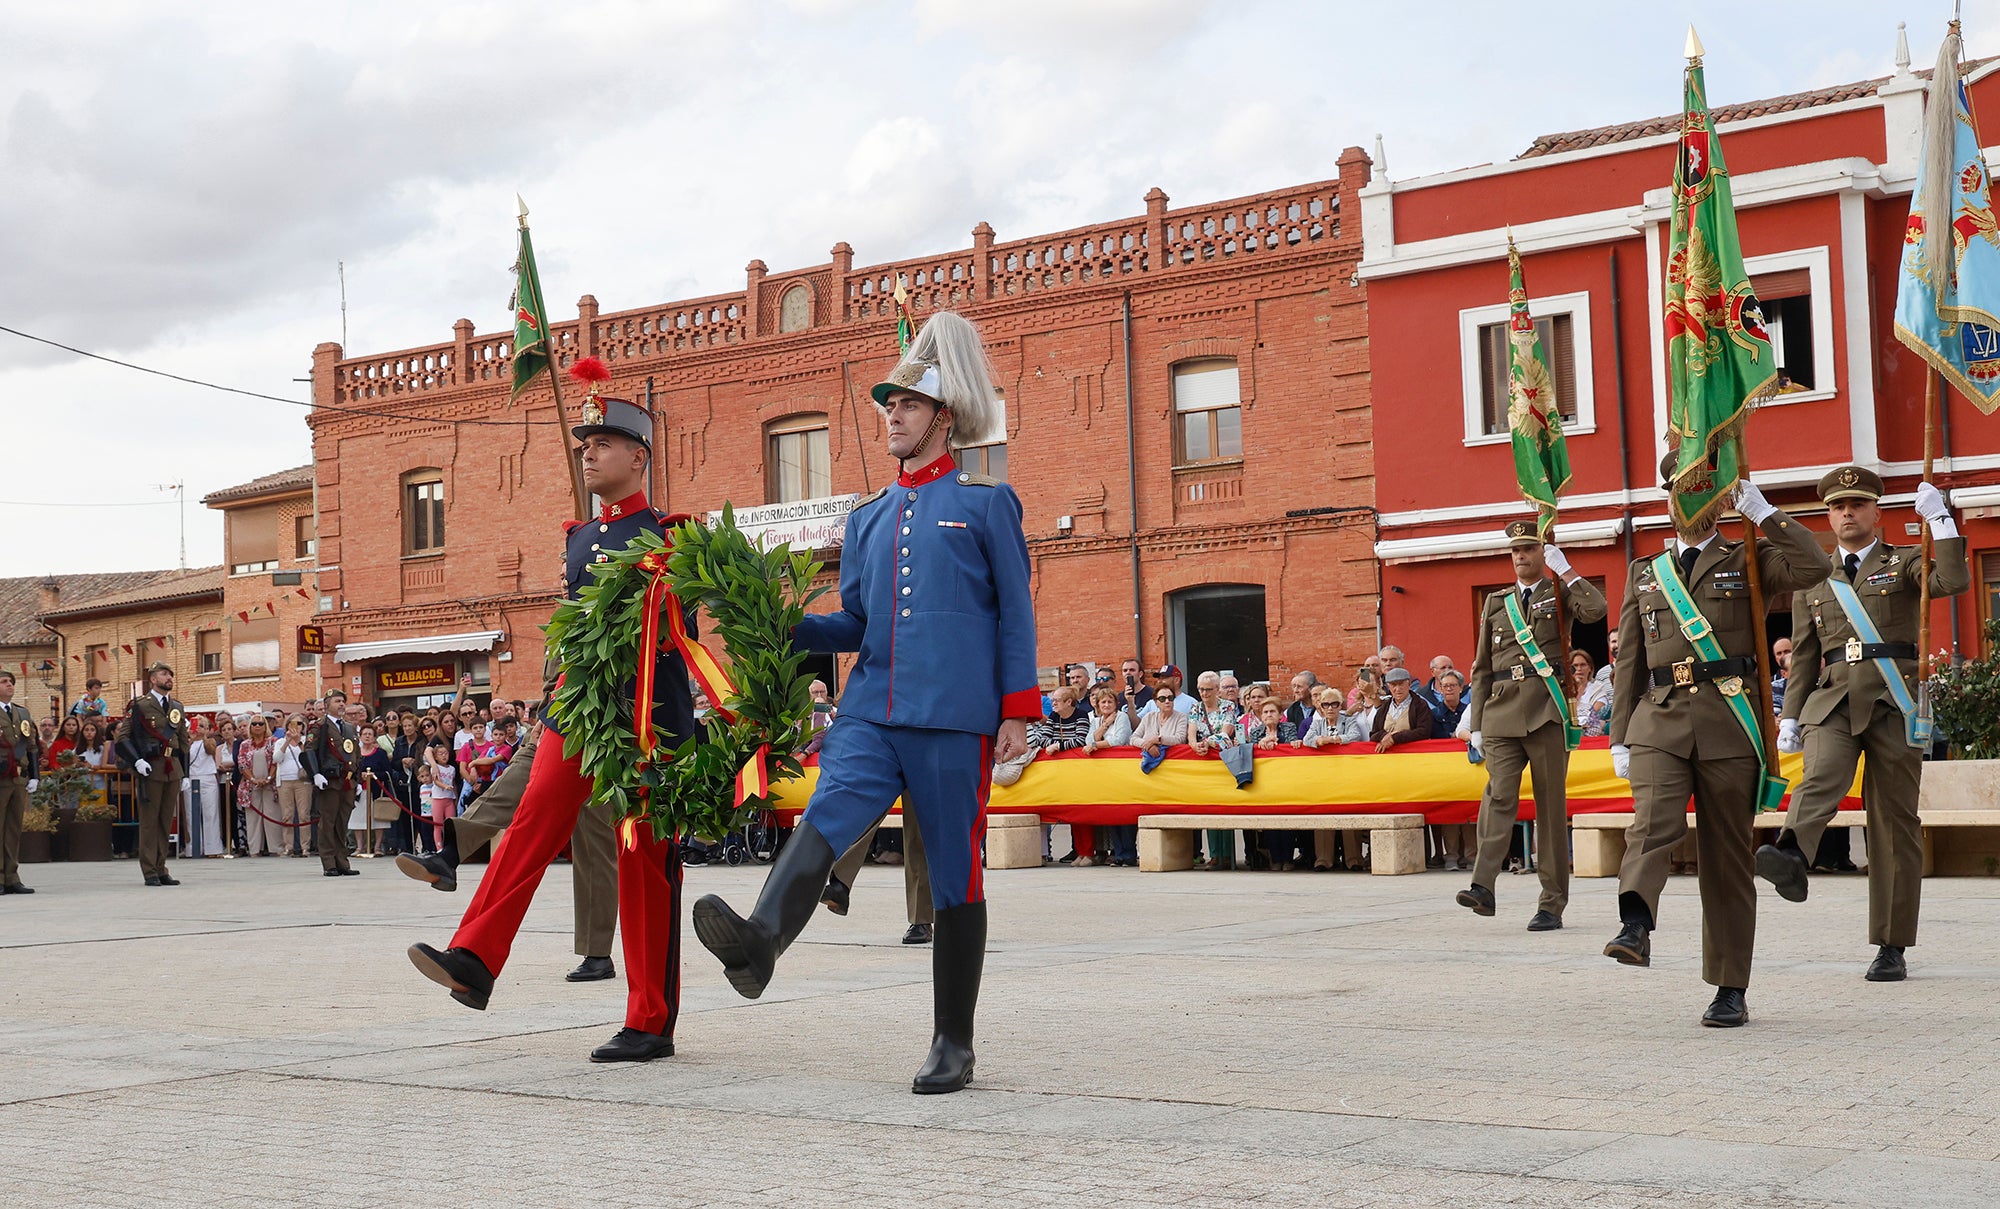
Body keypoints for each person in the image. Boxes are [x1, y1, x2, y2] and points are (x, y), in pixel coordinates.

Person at [690, 311, 1035, 1094]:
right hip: (872, 708)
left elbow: (1016, 611)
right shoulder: (869, 517)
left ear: (942, 417)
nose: (893, 415)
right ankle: (761, 940)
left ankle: (954, 1040)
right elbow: (855, 619)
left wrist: (1017, 708)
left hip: (954, 717)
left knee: (955, 876)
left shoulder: (986, 502)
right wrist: (780, 619)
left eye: (907, 405)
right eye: (887, 405)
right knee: (828, 812)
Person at [407, 364, 696, 1063]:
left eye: (603, 441)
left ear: (639, 457)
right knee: (531, 821)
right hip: (578, 713)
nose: (589, 452)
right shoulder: (578, 539)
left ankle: (649, 1018)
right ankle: (475, 958)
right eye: (584, 442)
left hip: (644, 721)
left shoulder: (670, 536)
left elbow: (678, 639)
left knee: (641, 863)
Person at [1604, 464, 1828, 1028]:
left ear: (1720, 499)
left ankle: (1730, 985)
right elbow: (1629, 660)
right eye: (1682, 491)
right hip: (1659, 719)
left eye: (1703, 490)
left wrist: (1765, 514)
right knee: (1652, 821)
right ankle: (1636, 922)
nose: (1691, 501)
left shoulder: (1747, 556)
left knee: (1726, 859)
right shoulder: (1645, 572)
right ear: (1670, 498)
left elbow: (1815, 565)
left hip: (1730, 721)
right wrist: (1619, 736)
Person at [1756, 468, 1969, 982]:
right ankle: (1790, 854)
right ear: (1828, 516)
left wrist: (1941, 522)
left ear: (1876, 512)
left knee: (1894, 824)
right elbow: (1804, 655)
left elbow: (1953, 580)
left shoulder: (1904, 560)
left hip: (1893, 701)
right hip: (1830, 700)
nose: (1846, 513)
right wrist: (1789, 716)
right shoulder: (1813, 579)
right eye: (1837, 507)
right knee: (1822, 773)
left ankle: (1892, 944)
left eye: (1857, 504)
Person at [398, 651, 622, 986]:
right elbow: (553, 683)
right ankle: (450, 855)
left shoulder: (615, 606)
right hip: (557, 725)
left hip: (603, 735)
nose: (564, 593)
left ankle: (597, 952)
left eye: (567, 592)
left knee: (594, 847)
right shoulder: (567, 620)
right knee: (513, 783)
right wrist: (546, 718)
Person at [1456, 523, 1608, 930]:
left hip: (1546, 710)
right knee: (1498, 795)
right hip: (1502, 711)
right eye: (1516, 550)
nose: (1521, 556)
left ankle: (1552, 903)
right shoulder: (1496, 601)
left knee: (1549, 808)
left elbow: (1597, 611)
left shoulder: (1559, 593)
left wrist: (1568, 571)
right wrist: (1476, 723)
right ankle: (1483, 885)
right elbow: (1482, 666)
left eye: (1529, 548)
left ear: (1543, 553)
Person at [114, 663, 191, 887]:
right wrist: (136, 760)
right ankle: (149, 871)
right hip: (151, 767)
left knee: (165, 821)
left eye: (170, 675)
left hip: (172, 767)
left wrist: (185, 772)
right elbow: (123, 737)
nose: (169, 678)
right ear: (153, 679)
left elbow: (183, 741)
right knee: (149, 822)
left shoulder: (176, 706)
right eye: (164, 674)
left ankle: (161, 867)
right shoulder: (139, 705)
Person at [1083, 685, 1137, 867]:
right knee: (1111, 814)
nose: (1106, 705)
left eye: (1109, 701)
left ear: (1116, 703)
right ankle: (1119, 854)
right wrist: (1105, 725)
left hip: (1122, 769)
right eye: (1103, 702)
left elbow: (1119, 740)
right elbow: (1088, 741)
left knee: (1125, 813)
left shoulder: (1121, 717)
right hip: (1104, 773)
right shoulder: (1097, 721)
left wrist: (1097, 745)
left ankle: (1129, 854)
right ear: (1097, 705)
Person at [0, 670, 41, 894]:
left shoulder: (22, 713)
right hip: (1, 777)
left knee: (14, 828)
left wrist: (35, 775)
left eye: (11, 682)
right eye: (4, 682)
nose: (9, 685)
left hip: (19, 778)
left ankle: (11, 876)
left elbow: (32, 746)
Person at [238, 716, 283, 857]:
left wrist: (269, 778)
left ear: (265, 726)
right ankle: (254, 850)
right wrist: (253, 779)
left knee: (273, 815)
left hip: (270, 784)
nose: (257, 726)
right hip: (251, 785)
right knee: (253, 818)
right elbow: (242, 764)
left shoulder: (273, 742)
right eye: (254, 724)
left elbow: (276, 761)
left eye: (261, 723)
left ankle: (276, 848)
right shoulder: (245, 744)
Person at [184, 717, 224, 858]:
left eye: (202, 726)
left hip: (207, 777)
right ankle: (193, 847)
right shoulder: (187, 743)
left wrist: (203, 736)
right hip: (191, 778)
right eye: (196, 725)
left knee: (210, 813)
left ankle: (212, 848)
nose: (198, 728)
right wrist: (190, 738)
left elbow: (210, 750)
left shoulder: (210, 741)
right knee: (191, 813)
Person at [356, 724, 396, 857]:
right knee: (358, 818)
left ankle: (377, 847)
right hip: (359, 790)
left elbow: (387, 772)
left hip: (376, 790)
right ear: (360, 736)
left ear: (374, 737)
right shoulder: (356, 752)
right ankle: (359, 847)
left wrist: (374, 775)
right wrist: (359, 776)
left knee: (378, 819)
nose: (367, 736)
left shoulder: (380, 753)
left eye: (370, 734)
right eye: (364, 734)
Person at [1371, 668, 1434, 751]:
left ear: (1409, 684)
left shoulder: (1420, 705)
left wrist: (1395, 738)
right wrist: (1384, 736)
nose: (1397, 689)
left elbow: (1424, 731)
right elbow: (1373, 734)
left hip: (1412, 753)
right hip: (1387, 755)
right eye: (1393, 685)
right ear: (1389, 686)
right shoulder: (1384, 707)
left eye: (1401, 684)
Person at [275, 714, 310, 857]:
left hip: (303, 780)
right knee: (287, 814)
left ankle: (305, 847)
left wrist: (299, 743)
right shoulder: (280, 741)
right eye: (292, 723)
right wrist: (287, 741)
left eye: (300, 724)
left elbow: (309, 758)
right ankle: (288, 846)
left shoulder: (306, 741)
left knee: (304, 814)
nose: (296, 726)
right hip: (284, 780)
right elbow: (277, 758)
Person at [1575, 649, 1615, 738]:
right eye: (1575, 665)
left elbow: (1592, 718)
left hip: (1592, 739)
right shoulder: (1562, 691)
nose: (1579, 669)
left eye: (1583, 665)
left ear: (1590, 668)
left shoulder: (1599, 689)